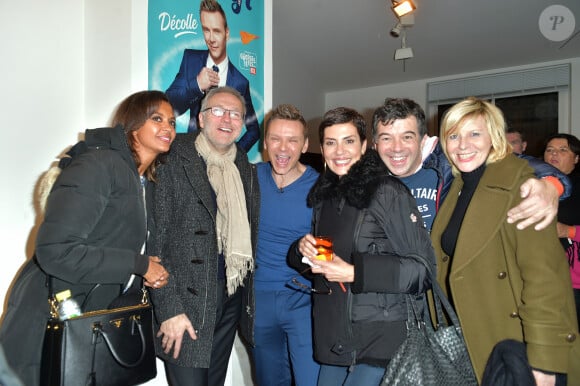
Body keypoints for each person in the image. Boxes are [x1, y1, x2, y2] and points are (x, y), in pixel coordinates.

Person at [0, 90, 175, 385]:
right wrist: (139, 264)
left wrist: (143, 273)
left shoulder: (141, 180)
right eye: (156, 118)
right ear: (131, 124)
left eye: (171, 121)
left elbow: (109, 243)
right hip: (49, 319)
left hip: (89, 319)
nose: (168, 128)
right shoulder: (99, 165)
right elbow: (56, 250)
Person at [430, 97, 579, 385]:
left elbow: (545, 280)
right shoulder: (459, 186)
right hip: (470, 335)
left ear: (494, 138)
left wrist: (545, 363)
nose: (463, 144)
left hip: (514, 343)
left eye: (474, 133)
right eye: (454, 135)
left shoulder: (521, 185)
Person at [288, 107, 436, 385]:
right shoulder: (325, 198)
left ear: (365, 145)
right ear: (322, 148)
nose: (339, 151)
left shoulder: (387, 192)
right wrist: (301, 251)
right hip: (337, 336)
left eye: (349, 141)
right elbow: (327, 267)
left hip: (381, 338)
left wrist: (356, 273)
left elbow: (423, 270)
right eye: (331, 142)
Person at [150, 86, 260, 386]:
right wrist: (168, 309)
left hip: (229, 295)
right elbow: (154, 242)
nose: (227, 118)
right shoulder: (172, 157)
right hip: (184, 301)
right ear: (201, 119)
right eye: (218, 111)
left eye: (235, 113)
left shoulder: (244, 168)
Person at [371, 97, 570, 232]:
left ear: (423, 140)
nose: (397, 148)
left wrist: (552, 184)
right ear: (375, 144)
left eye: (407, 137)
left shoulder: (449, 158)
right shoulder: (370, 180)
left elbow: (516, 162)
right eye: (387, 138)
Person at [252, 104, 320, 386]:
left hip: (303, 300)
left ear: (304, 145)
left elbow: (330, 243)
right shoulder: (249, 178)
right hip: (258, 301)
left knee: (311, 381)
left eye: (292, 140)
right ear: (265, 142)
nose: (283, 148)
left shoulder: (321, 187)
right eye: (276, 138)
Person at [166, 0, 259, 152]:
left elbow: (254, 129)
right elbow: (169, 107)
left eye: (216, 31)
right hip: (191, 157)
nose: (211, 38)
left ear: (227, 33)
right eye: (206, 30)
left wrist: (234, 156)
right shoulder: (191, 60)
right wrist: (196, 85)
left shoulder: (240, 82)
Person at [543, 133, 580, 330]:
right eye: (549, 150)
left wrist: (569, 231)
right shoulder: (537, 185)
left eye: (562, 150)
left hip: (575, 281)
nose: (554, 154)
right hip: (546, 276)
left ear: (576, 158)